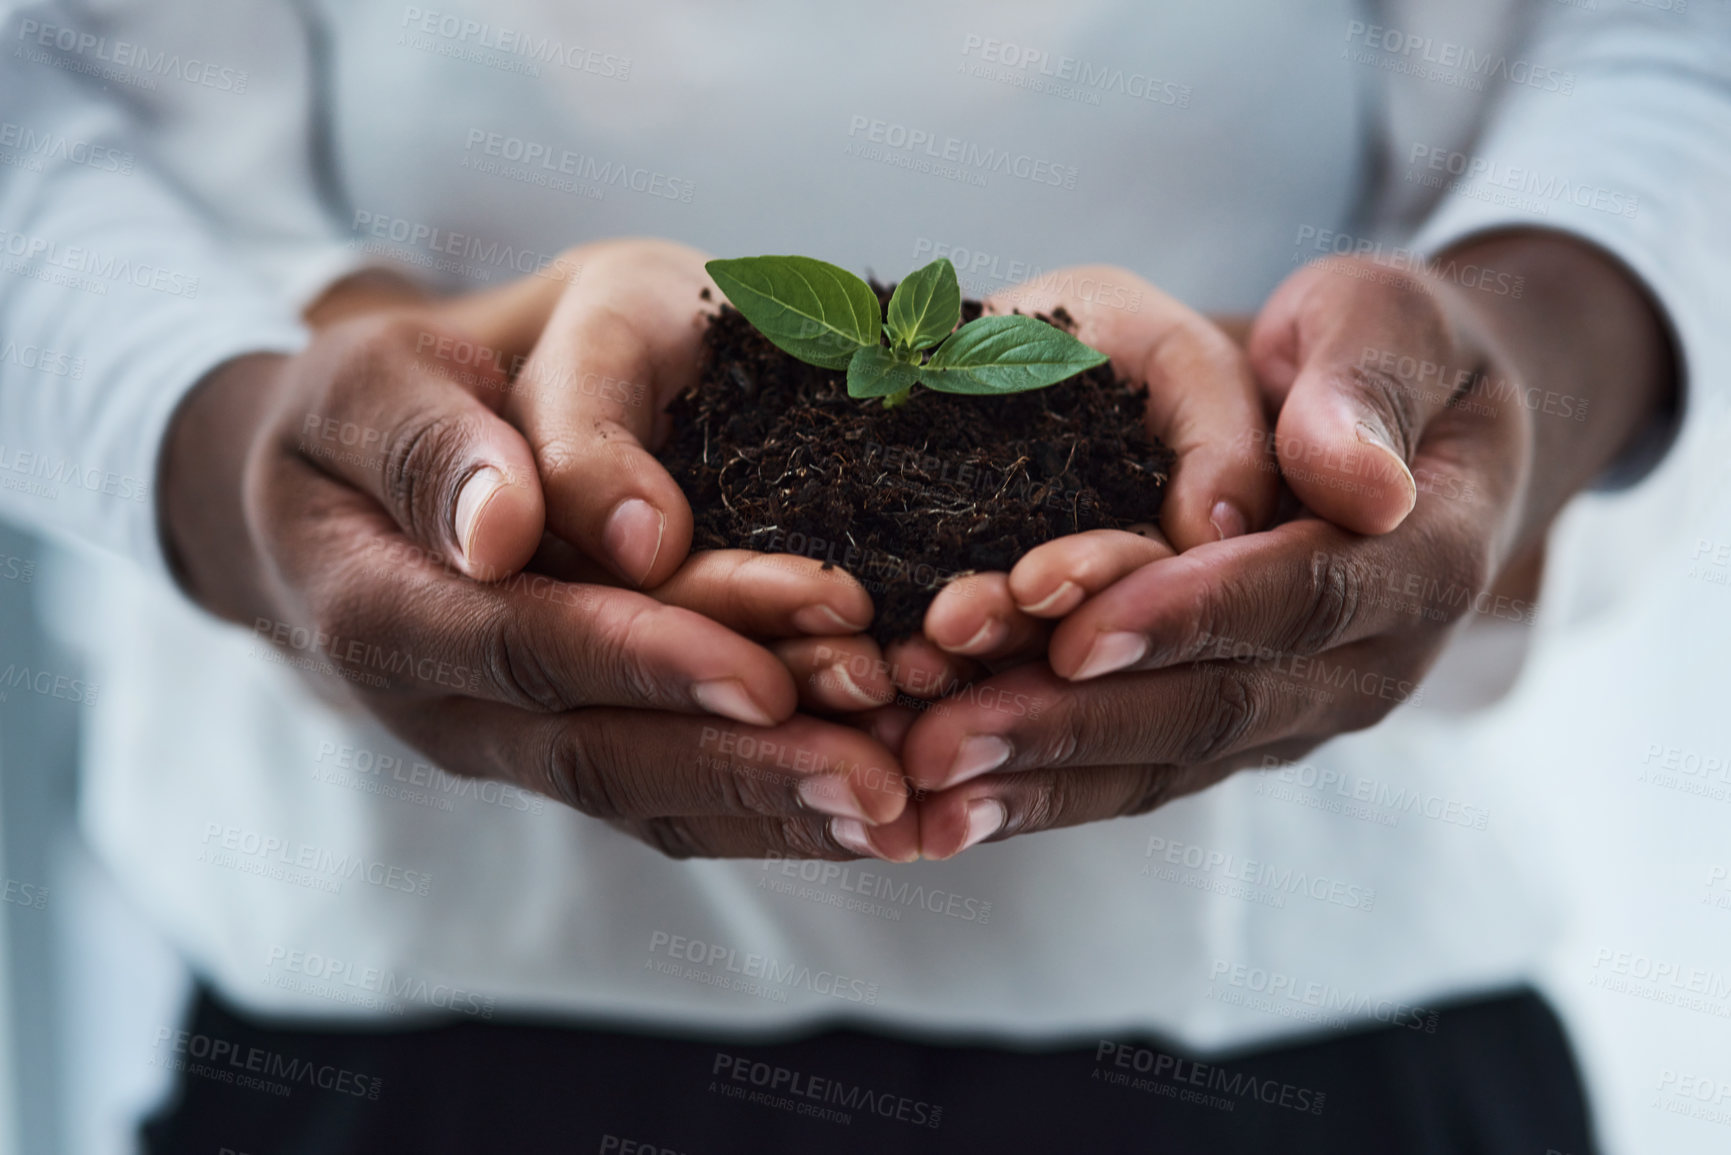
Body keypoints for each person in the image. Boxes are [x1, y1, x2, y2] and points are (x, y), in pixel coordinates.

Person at [1, 1, 1726, 1151]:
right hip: (404, 1031)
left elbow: (1653, 42)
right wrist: (236, 433)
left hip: (1314, 1022)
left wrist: (1519, 348)